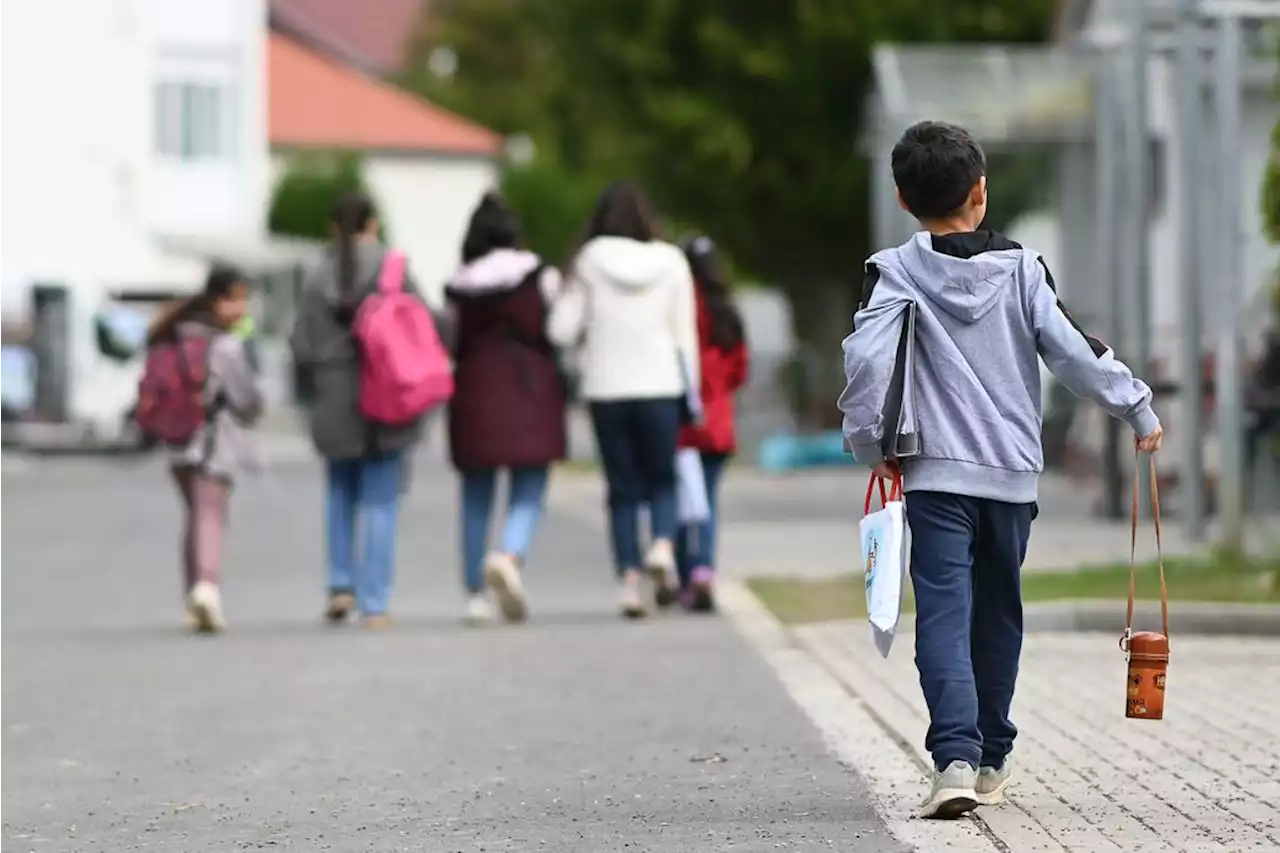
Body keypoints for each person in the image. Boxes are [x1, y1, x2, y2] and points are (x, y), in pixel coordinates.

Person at [838, 121, 1163, 819]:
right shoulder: (1023, 270)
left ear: (901, 198)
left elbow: (865, 364)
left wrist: (872, 443)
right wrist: (1138, 408)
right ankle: (990, 757)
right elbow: (1076, 354)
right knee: (999, 617)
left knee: (945, 617)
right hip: (1010, 479)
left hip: (933, 479)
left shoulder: (892, 271)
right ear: (981, 192)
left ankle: (953, 756)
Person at [548, 181, 700, 618]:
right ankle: (664, 547)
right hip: (660, 385)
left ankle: (630, 582)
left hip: (606, 387)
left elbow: (561, 329)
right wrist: (691, 389)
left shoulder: (589, 260)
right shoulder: (671, 261)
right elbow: (684, 334)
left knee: (622, 489)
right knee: (663, 479)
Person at [289, 192, 434, 629]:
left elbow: (299, 344)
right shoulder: (394, 267)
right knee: (381, 501)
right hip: (388, 392)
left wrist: (307, 398)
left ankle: (340, 585)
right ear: (373, 225)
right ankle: (375, 602)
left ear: (333, 228)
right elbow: (424, 324)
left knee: (339, 494)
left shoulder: (314, 275)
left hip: (333, 394)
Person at [445, 192, 567, 624]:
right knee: (529, 488)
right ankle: (510, 554)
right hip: (530, 389)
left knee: (476, 497)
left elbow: (451, 339)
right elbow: (558, 330)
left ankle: (475, 594)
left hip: (475, 391)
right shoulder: (539, 275)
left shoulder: (459, 283)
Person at [144, 264, 263, 633]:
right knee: (210, 513)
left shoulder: (169, 336)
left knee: (195, 515)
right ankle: (207, 590)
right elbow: (246, 401)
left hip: (175, 440)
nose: (241, 309)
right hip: (213, 441)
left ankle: (192, 598)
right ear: (216, 299)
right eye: (236, 299)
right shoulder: (223, 345)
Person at [674, 235, 748, 612]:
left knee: (680, 501)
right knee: (707, 503)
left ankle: (682, 574)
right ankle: (704, 570)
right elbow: (739, 371)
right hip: (718, 425)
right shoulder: (727, 314)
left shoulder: (678, 310)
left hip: (682, 425)